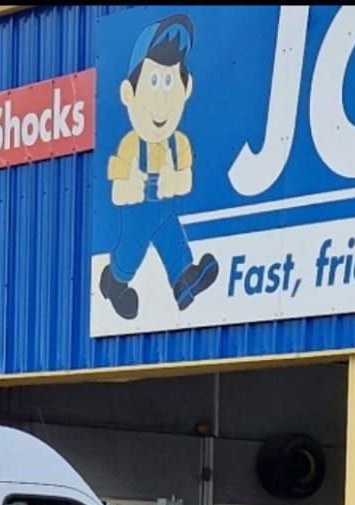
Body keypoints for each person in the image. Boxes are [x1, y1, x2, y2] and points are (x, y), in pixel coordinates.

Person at [99, 13, 219, 320]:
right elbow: (118, 185)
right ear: (129, 93)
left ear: (185, 88)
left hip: (165, 208)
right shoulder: (129, 145)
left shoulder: (179, 144)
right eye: (154, 81)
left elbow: (186, 178)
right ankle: (114, 283)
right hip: (137, 212)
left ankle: (183, 282)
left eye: (170, 81)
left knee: (173, 239)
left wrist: (173, 183)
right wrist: (131, 187)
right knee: (130, 253)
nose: (163, 96)